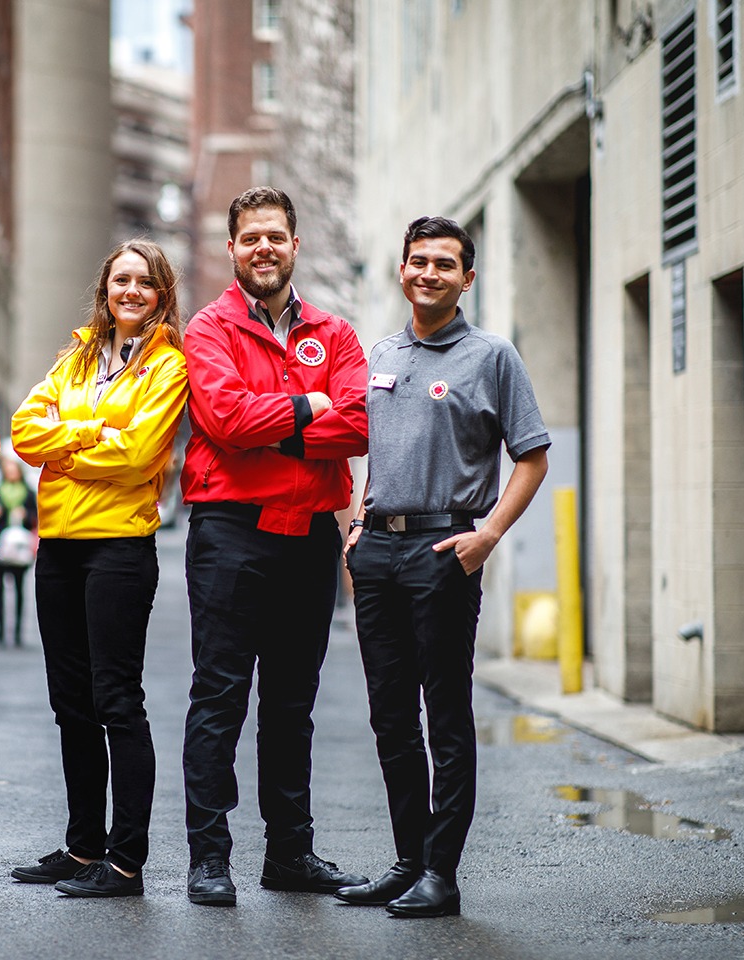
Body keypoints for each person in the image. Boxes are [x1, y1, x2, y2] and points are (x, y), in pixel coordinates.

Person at [335, 217, 549, 918]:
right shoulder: (382, 353)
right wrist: (361, 525)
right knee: (390, 716)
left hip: (444, 549)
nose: (428, 273)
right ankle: (408, 861)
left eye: (444, 264)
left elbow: (532, 456)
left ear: (467, 279)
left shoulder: (491, 356)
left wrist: (487, 535)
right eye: (418, 261)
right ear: (402, 270)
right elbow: (379, 450)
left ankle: (442, 875)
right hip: (380, 551)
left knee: (445, 716)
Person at [179, 187, 370, 907]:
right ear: (232, 249)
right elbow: (224, 418)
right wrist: (310, 408)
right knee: (220, 695)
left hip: (308, 542)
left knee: (293, 703)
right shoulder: (209, 329)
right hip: (230, 532)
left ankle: (290, 852)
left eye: (276, 237)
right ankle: (209, 857)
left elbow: (357, 425)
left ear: (296, 246)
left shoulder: (336, 334)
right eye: (251, 237)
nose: (264, 248)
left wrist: (278, 426)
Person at [8, 239, 189, 899]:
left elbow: (140, 454)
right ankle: (83, 847)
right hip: (58, 545)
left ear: (161, 293)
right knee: (71, 704)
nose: (132, 291)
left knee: (117, 701)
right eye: (121, 280)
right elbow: (27, 432)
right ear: (105, 289)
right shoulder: (78, 354)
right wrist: (94, 434)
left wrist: (69, 438)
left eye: (145, 282)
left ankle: (124, 863)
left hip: (118, 547)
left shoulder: (169, 366)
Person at [0, 457, 38, 647]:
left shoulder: (28, 493)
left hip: (20, 546)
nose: (11, 472)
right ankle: (0, 631)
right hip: (1, 545)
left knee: (19, 589)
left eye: (13, 469)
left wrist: (26, 514)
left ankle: (17, 632)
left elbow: (35, 517)